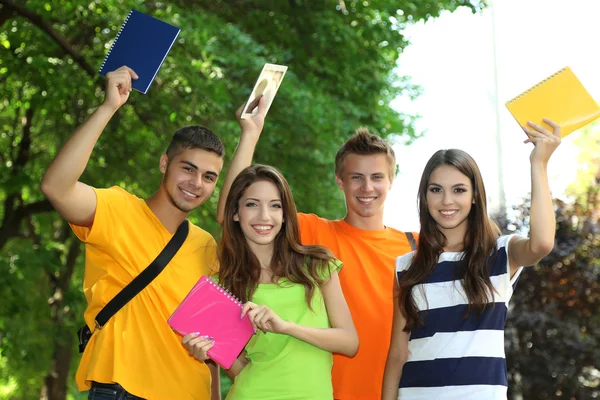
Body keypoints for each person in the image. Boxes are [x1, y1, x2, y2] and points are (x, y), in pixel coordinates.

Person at [40, 66, 263, 400]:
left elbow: (211, 341)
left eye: (209, 176)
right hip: (122, 389)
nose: (196, 183)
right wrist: (108, 107)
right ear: (164, 164)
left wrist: (250, 135)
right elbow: (56, 187)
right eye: (187, 168)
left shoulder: (206, 246)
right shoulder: (118, 208)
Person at [216, 117, 417, 399]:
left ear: (391, 180)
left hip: (396, 392)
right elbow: (235, 212)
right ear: (340, 181)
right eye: (356, 177)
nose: (367, 187)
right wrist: (250, 133)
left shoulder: (416, 248)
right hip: (323, 391)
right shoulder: (315, 233)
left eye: (377, 177)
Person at [381, 119, 561, 399]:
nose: (446, 201)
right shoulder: (406, 266)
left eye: (459, 189)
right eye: (436, 189)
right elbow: (398, 353)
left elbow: (541, 244)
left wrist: (539, 163)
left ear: (475, 195)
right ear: (425, 196)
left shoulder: (501, 253)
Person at [183, 164, 359, 399]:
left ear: (285, 214)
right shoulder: (223, 284)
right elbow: (240, 370)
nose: (264, 216)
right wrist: (208, 352)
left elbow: (349, 342)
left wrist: (286, 327)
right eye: (252, 204)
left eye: (275, 206)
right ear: (236, 213)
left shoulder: (317, 265)